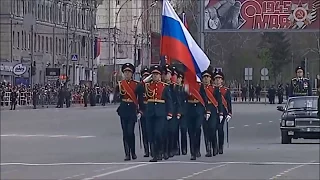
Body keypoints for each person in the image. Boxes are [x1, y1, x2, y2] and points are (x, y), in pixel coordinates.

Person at [144, 65, 173, 162]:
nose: (155, 76)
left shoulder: (164, 87)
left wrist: (169, 113)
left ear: (160, 75)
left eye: (157, 74)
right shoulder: (147, 85)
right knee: (151, 134)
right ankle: (155, 154)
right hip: (150, 113)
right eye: (153, 74)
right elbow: (138, 88)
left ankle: (159, 151)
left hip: (160, 113)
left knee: (158, 133)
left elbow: (169, 100)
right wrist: (145, 80)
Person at [115, 63, 140, 161]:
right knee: (125, 133)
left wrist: (140, 110)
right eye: (125, 72)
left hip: (132, 110)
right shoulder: (120, 84)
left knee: (130, 132)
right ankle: (127, 154)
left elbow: (140, 98)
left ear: (132, 73)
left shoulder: (136, 85)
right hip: (123, 110)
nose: (127, 74)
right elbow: (116, 97)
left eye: (129, 72)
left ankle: (133, 151)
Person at [185, 74, 208, 160]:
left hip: (199, 109)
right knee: (191, 132)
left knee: (197, 129)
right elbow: (183, 97)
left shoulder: (200, 85)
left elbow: (204, 98)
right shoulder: (187, 85)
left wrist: (206, 111)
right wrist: (186, 90)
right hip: (189, 109)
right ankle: (192, 152)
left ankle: (197, 149)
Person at [202, 70, 223, 157]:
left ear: (210, 78)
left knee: (212, 129)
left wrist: (221, 113)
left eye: (207, 77)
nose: (206, 79)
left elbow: (219, 102)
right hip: (203, 111)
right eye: (204, 77)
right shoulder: (201, 89)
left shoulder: (215, 89)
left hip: (213, 111)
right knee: (206, 131)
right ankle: (208, 149)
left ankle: (215, 146)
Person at [214, 71, 232, 154]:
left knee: (220, 129)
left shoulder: (225, 90)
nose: (217, 80)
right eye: (216, 79)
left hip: (223, 112)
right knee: (213, 129)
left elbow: (228, 102)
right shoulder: (212, 90)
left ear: (222, 80)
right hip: (214, 112)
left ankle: (220, 146)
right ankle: (215, 147)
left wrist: (229, 113)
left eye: (219, 79)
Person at [136, 67, 151, 158]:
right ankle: (146, 150)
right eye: (144, 76)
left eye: (147, 76)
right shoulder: (141, 86)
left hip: (151, 110)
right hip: (143, 111)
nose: (145, 77)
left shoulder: (152, 85)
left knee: (151, 132)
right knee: (144, 132)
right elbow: (136, 91)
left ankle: (153, 149)